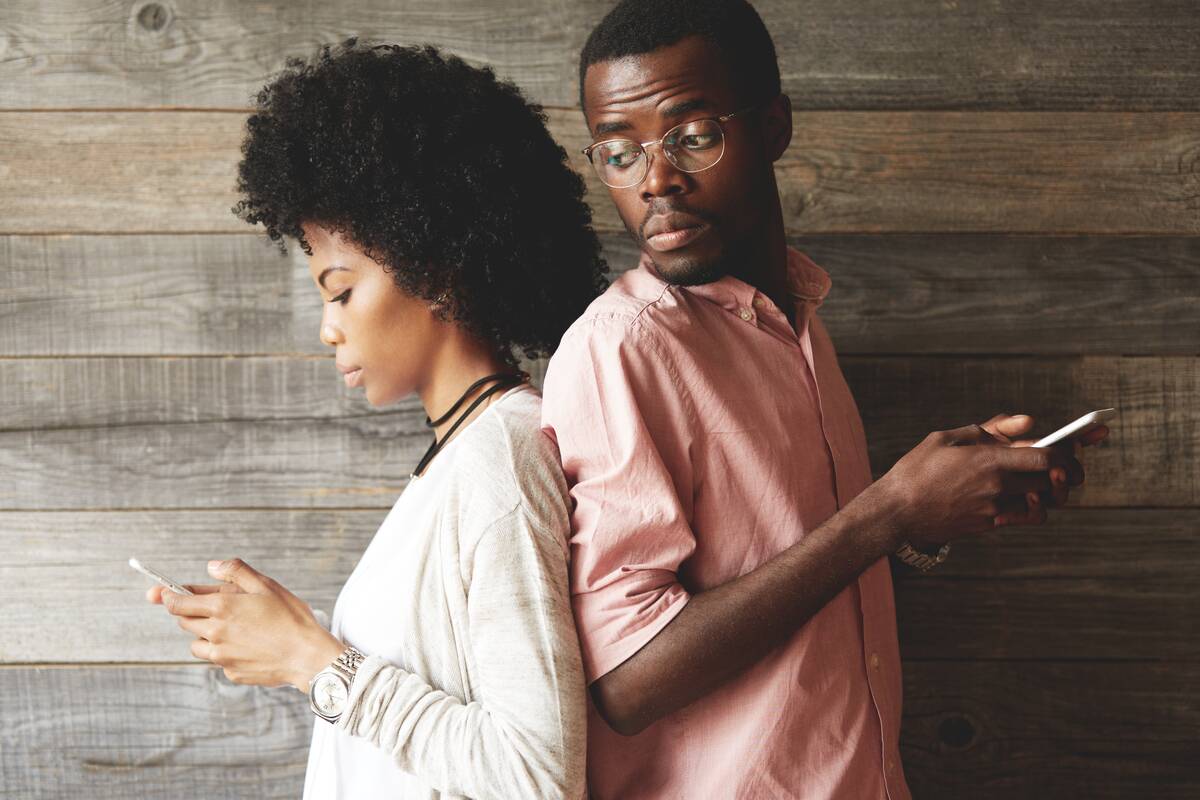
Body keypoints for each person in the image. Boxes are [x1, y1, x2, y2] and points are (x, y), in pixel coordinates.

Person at [540, 1, 1108, 798]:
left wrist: (931, 516)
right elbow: (626, 679)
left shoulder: (796, 323)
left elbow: (798, 573)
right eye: (618, 153)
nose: (655, 178)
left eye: (693, 137)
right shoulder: (624, 348)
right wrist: (888, 511)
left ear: (773, 127)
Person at [147, 39, 607, 799]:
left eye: (341, 290)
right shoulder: (458, 458)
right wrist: (290, 638)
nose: (329, 328)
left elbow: (537, 775)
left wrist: (309, 658)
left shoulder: (502, 454)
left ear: (437, 268)